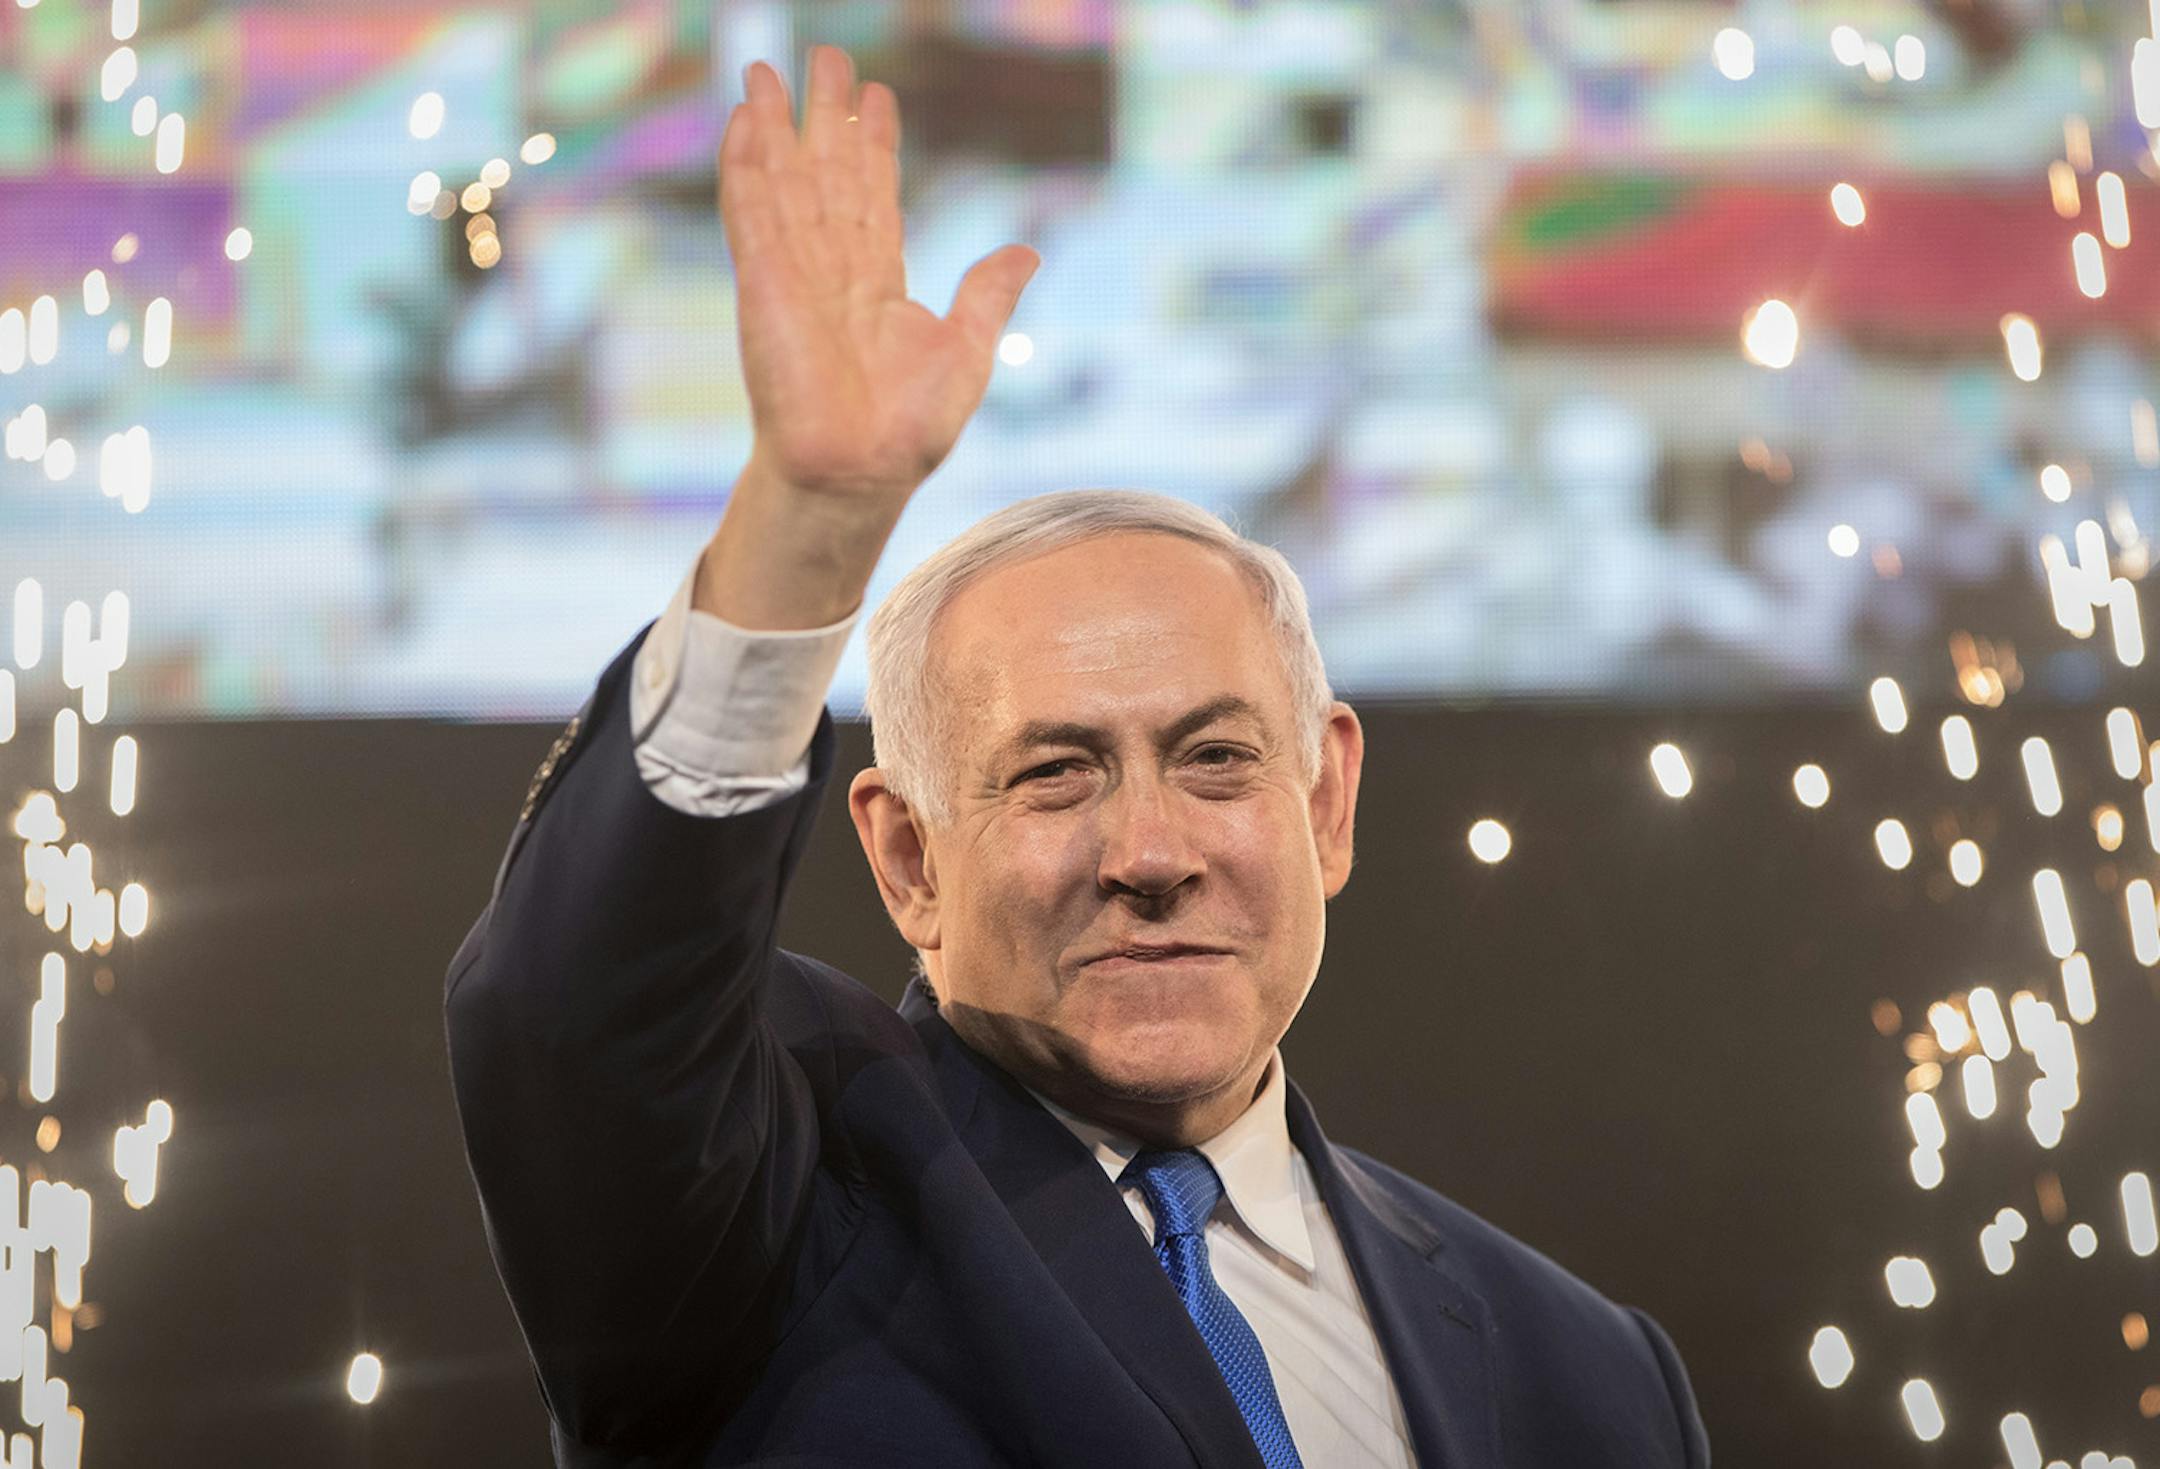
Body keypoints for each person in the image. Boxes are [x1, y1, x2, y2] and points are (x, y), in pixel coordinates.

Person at [444, 44, 1710, 1468]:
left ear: (1328, 798)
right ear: (910, 857)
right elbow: (580, 1017)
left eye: (1216, 758)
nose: (1152, 854)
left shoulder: (1586, 1370)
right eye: (1056, 771)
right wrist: (809, 521)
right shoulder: (769, 1204)